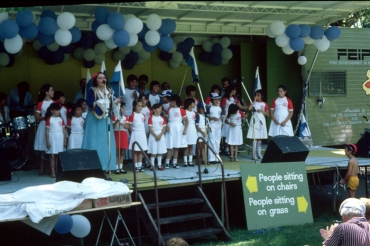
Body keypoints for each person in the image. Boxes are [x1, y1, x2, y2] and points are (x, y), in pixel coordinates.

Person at [82, 72, 120, 172]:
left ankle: (107, 166)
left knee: (106, 142)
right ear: (96, 81)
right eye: (100, 78)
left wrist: (115, 102)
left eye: (104, 78)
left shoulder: (109, 91)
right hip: (94, 119)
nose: (103, 79)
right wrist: (106, 102)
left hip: (105, 119)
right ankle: (93, 166)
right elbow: (90, 104)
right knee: (94, 141)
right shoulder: (92, 90)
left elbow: (111, 105)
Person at [220, 84, 248, 155]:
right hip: (227, 116)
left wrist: (247, 106)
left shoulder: (235, 99)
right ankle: (226, 149)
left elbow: (241, 106)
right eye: (235, 90)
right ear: (232, 90)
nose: (235, 91)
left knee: (232, 134)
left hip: (235, 116)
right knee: (227, 133)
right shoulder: (224, 99)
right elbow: (222, 108)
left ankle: (232, 150)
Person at [34, 84, 55, 176]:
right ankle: (41, 168)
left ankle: (51, 169)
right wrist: (45, 117)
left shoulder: (54, 102)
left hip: (53, 126)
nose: (53, 92)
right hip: (43, 125)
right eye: (51, 90)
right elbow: (37, 117)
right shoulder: (40, 103)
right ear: (46, 92)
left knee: (52, 146)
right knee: (43, 147)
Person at [165, 95, 188, 169]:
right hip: (170, 127)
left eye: (171, 101)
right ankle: (167, 162)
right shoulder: (169, 110)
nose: (170, 103)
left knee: (176, 146)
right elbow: (165, 120)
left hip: (179, 128)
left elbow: (186, 121)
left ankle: (174, 162)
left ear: (174, 102)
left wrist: (185, 130)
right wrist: (166, 126)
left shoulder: (181, 110)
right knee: (169, 146)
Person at [45, 103, 66, 178]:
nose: (58, 112)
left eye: (59, 110)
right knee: (52, 155)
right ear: (52, 111)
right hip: (52, 137)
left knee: (58, 155)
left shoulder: (61, 119)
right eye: (56, 110)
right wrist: (47, 141)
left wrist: (64, 140)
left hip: (59, 137)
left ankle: (57, 171)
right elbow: (47, 130)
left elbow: (63, 130)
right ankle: (52, 171)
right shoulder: (49, 119)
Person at [247, 89, 269, 160]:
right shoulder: (253, 103)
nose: (257, 97)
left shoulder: (264, 104)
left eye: (258, 95)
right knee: (255, 137)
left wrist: (262, 111)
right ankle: (254, 154)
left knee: (260, 137)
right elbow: (249, 108)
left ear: (262, 96)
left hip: (261, 119)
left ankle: (259, 153)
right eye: (256, 95)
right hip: (254, 119)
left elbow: (267, 114)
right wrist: (253, 101)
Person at [128, 99, 148, 172]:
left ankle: (140, 165)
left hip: (142, 133)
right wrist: (132, 133)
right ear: (134, 106)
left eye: (141, 106)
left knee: (140, 151)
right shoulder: (132, 115)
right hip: (135, 133)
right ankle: (135, 166)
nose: (140, 107)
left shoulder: (143, 115)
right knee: (135, 151)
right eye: (138, 106)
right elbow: (129, 126)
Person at [148, 103, 167, 171]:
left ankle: (159, 164)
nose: (160, 110)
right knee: (153, 151)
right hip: (153, 136)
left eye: (161, 109)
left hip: (160, 135)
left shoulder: (162, 118)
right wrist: (156, 136)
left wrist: (160, 135)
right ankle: (152, 165)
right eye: (158, 108)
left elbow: (164, 128)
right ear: (154, 109)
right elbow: (150, 128)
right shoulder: (151, 118)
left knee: (160, 151)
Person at [112, 102, 128, 174]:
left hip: (123, 133)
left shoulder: (126, 117)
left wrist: (122, 124)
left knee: (122, 152)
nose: (122, 109)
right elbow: (113, 127)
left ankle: (121, 167)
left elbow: (128, 127)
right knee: (117, 152)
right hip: (116, 133)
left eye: (123, 108)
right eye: (121, 108)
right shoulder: (113, 117)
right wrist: (116, 121)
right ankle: (116, 167)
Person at [207, 92, 222, 164]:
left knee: (217, 141)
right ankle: (211, 158)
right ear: (212, 100)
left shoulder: (219, 108)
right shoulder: (209, 107)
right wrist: (212, 118)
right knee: (211, 141)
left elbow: (221, 116)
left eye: (218, 99)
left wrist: (221, 120)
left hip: (218, 125)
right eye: (215, 99)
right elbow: (206, 117)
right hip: (212, 125)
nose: (217, 101)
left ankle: (217, 157)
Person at [183, 98, 197, 167]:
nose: (194, 104)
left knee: (191, 146)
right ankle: (185, 161)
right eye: (193, 103)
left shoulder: (194, 113)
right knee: (186, 146)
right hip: (186, 128)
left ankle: (190, 161)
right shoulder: (184, 111)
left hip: (192, 128)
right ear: (190, 104)